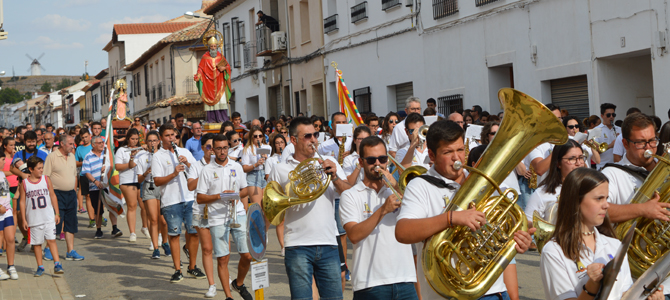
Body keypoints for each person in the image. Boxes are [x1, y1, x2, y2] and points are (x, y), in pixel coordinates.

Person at [395, 120, 533, 300]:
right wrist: (451, 218)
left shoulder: (480, 181)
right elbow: (403, 232)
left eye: (460, 150)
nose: (457, 158)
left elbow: (499, 230)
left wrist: (516, 242)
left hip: (493, 290)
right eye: (448, 152)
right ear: (432, 155)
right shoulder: (420, 186)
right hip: (449, 294)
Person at [540, 168, 664, 300]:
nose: (606, 205)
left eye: (606, 198)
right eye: (599, 198)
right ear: (575, 201)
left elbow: (625, 296)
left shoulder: (615, 244)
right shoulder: (553, 251)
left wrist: (646, 297)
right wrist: (591, 285)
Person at [268, 116, 352, 298]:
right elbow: (269, 204)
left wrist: (335, 177)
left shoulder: (330, 163)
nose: (313, 140)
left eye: (315, 135)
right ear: (293, 140)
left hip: (328, 243)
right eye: (307, 136)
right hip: (297, 245)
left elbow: (348, 194)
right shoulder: (280, 169)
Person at [340, 136, 417, 299]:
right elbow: (353, 235)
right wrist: (382, 210)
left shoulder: (397, 191)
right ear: (361, 162)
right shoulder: (350, 195)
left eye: (382, 159)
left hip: (405, 280)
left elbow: (418, 214)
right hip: (370, 284)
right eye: (371, 160)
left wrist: (396, 186)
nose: (378, 164)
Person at [194, 134, 253, 300]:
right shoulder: (206, 170)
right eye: (218, 148)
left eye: (225, 148)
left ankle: (238, 284)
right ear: (213, 149)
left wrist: (234, 196)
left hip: (238, 213)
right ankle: (228, 296)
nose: (222, 151)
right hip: (217, 217)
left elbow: (245, 189)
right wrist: (220, 196)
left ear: (228, 148)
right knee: (223, 258)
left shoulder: (237, 166)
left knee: (247, 255)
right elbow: (200, 198)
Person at [151, 124, 204, 283]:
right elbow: (157, 181)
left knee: (194, 233)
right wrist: (174, 173)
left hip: (189, 198)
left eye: (173, 135)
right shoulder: (158, 156)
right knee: (174, 235)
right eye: (167, 136)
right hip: (171, 201)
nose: (171, 138)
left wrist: (188, 163)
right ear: (161, 138)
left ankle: (192, 266)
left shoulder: (185, 152)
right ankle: (177, 269)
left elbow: (198, 172)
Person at [19, 156, 64, 277]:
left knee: (52, 240)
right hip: (34, 219)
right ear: (31, 169)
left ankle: (57, 264)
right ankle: (40, 266)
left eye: (42, 167)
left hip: (48, 216)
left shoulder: (46, 179)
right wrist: (23, 219)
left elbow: (53, 195)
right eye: (38, 168)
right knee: (37, 244)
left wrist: (57, 212)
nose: (41, 170)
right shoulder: (24, 183)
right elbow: (22, 202)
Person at [525, 140, 586, 226]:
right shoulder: (542, 193)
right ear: (558, 163)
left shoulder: (590, 188)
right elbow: (527, 224)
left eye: (581, 157)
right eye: (571, 159)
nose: (579, 163)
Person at [136, 130, 170, 258]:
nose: (152, 143)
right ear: (146, 142)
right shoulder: (142, 157)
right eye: (149, 141)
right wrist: (146, 172)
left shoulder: (164, 155)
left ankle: (165, 242)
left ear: (159, 141)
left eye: (154, 140)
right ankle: (155, 247)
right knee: (153, 219)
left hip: (162, 187)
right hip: (148, 187)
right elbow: (139, 179)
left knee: (164, 221)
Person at [83, 136, 121, 240]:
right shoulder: (88, 157)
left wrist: (107, 168)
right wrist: (95, 181)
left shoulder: (107, 155)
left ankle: (115, 228)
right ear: (93, 145)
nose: (101, 144)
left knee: (112, 207)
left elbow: (114, 166)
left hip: (108, 185)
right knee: (98, 210)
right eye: (99, 143)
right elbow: (86, 172)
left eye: (102, 142)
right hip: (95, 187)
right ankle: (99, 230)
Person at [114, 129, 143, 242]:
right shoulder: (122, 150)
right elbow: (118, 167)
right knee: (132, 206)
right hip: (127, 180)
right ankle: (132, 232)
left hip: (140, 178)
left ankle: (144, 227)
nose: (134, 141)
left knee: (144, 206)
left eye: (136, 139)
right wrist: (131, 163)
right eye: (132, 139)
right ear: (128, 138)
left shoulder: (141, 149)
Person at [195, 36, 232, 123]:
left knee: (221, 101)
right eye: (211, 46)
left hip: (220, 82)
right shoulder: (205, 57)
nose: (213, 48)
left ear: (217, 47)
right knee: (210, 102)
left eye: (215, 46)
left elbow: (228, 66)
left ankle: (223, 119)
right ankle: (212, 119)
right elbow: (200, 68)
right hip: (209, 83)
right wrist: (198, 75)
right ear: (209, 47)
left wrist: (225, 68)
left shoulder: (221, 56)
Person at [0, 150, 17, 280]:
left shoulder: (2, 174)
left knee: (10, 239)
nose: (4, 162)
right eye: (2, 160)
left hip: (7, 211)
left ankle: (11, 266)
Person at [240, 126, 268, 208]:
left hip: (264, 175)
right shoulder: (247, 149)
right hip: (253, 175)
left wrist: (267, 159)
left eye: (260, 136)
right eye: (255, 136)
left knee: (266, 207)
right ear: (252, 137)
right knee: (258, 207)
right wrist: (255, 165)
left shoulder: (267, 148)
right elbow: (244, 168)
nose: (258, 138)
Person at [75, 131, 95, 226]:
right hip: (84, 175)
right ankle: (92, 219)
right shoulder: (79, 149)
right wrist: (85, 162)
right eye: (83, 137)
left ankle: (99, 215)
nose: (85, 139)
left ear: (90, 136)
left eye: (86, 136)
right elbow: (76, 163)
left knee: (98, 196)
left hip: (96, 174)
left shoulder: (95, 146)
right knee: (87, 196)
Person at [594, 103, 621, 169]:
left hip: (618, 166)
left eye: (613, 115)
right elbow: (595, 151)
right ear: (602, 116)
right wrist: (610, 146)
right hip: (603, 166)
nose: (611, 117)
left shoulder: (619, 129)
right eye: (608, 115)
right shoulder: (596, 130)